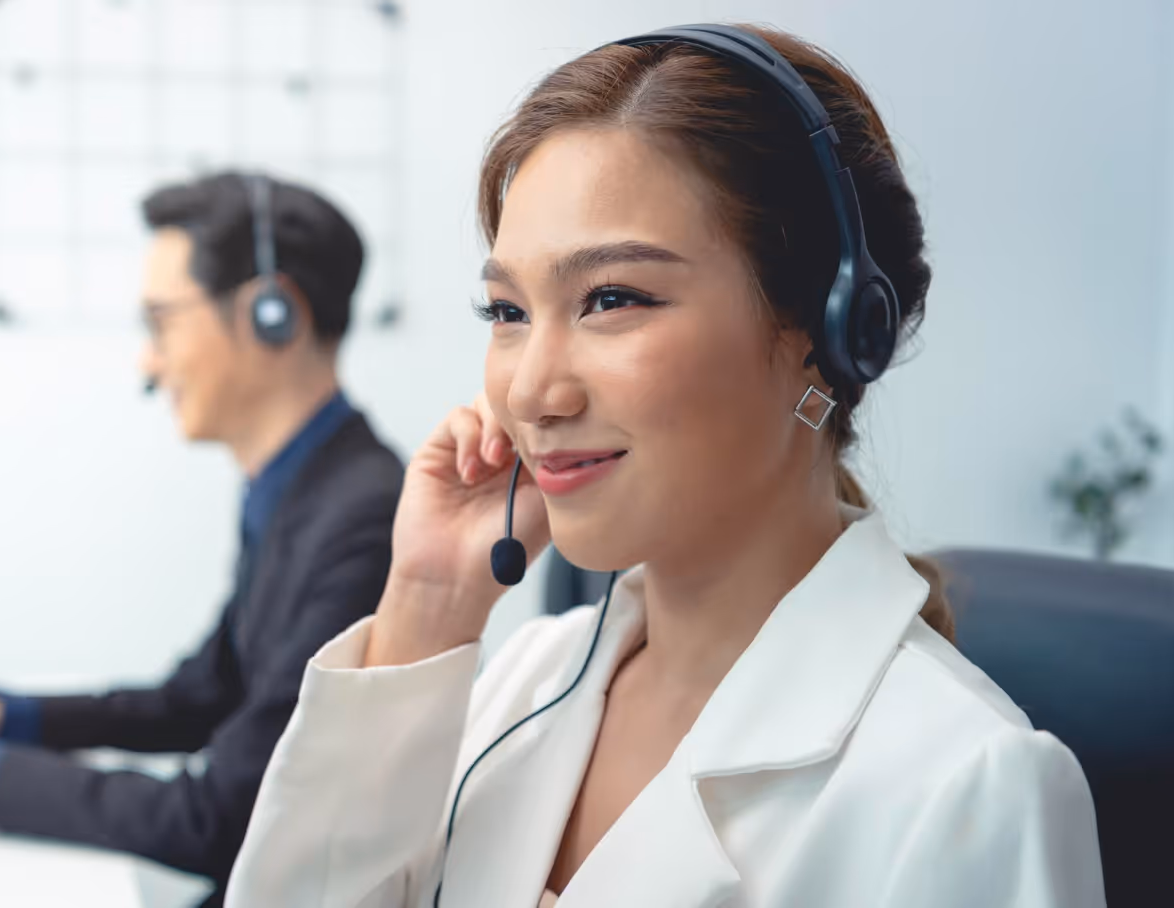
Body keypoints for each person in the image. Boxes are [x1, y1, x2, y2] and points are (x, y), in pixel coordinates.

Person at [226, 25, 1104, 908]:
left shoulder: (968, 788)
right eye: (507, 311)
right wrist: (427, 603)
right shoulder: (530, 679)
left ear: (832, 331)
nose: (530, 392)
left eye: (612, 299)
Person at [0, 172, 405, 905]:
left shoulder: (360, 517)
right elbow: (199, 697)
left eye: (161, 323)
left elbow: (216, 817)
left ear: (274, 315)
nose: (148, 362)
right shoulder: (301, 488)